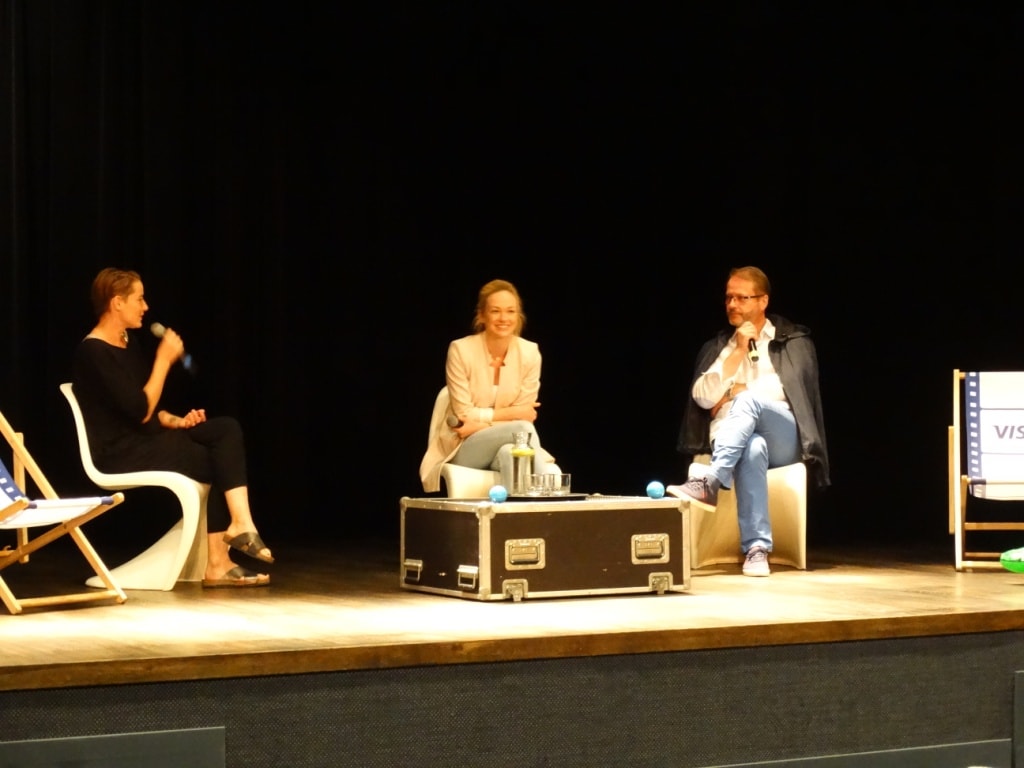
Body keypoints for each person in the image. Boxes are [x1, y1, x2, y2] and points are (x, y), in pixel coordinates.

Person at [71, 267, 274, 588]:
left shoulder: (128, 342)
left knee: (226, 429)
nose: (146, 306)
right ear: (117, 302)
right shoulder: (93, 351)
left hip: (146, 437)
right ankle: (218, 562)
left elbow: (150, 410)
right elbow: (139, 410)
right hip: (120, 452)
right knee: (212, 459)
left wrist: (179, 421)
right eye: (139, 299)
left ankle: (242, 523)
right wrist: (163, 361)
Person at [670, 266, 829, 577]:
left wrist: (736, 393)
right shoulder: (720, 347)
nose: (732, 304)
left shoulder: (792, 342)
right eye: (728, 298)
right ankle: (756, 549)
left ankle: (711, 481)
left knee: (749, 401)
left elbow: (791, 392)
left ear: (763, 301)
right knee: (752, 448)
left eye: (741, 298)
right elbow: (702, 397)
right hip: (733, 438)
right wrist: (738, 352)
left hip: (782, 435)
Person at [420, 279, 553, 493]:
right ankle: (548, 497)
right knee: (522, 429)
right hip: (462, 445)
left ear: (518, 316)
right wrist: (512, 414)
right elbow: (465, 413)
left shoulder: (530, 353)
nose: (503, 318)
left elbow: (524, 413)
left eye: (510, 311)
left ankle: (516, 512)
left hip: (504, 440)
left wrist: (478, 423)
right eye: (495, 311)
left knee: (511, 452)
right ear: (481, 315)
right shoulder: (460, 350)